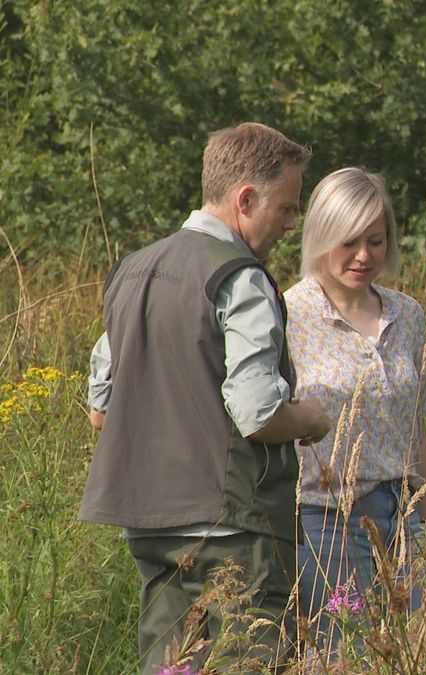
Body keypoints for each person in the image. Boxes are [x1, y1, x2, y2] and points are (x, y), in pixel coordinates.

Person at [81, 122, 332, 674]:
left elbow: (101, 410)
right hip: (233, 526)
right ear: (246, 199)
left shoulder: (131, 272)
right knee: (249, 663)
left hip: (150, 523)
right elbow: (258, 413)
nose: (292, 223)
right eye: (287, 207)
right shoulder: (241, 277)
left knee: (169, 666)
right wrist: (311, 419)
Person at [283, 167, 426, 653]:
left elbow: (417, 428)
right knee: (343, 656)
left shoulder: (408, 315)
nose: (364, 255)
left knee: (413, 651)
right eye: (349, 241)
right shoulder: (287, 315)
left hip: (404, 515)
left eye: (376, 240)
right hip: (326, 520)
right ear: (321, 236)